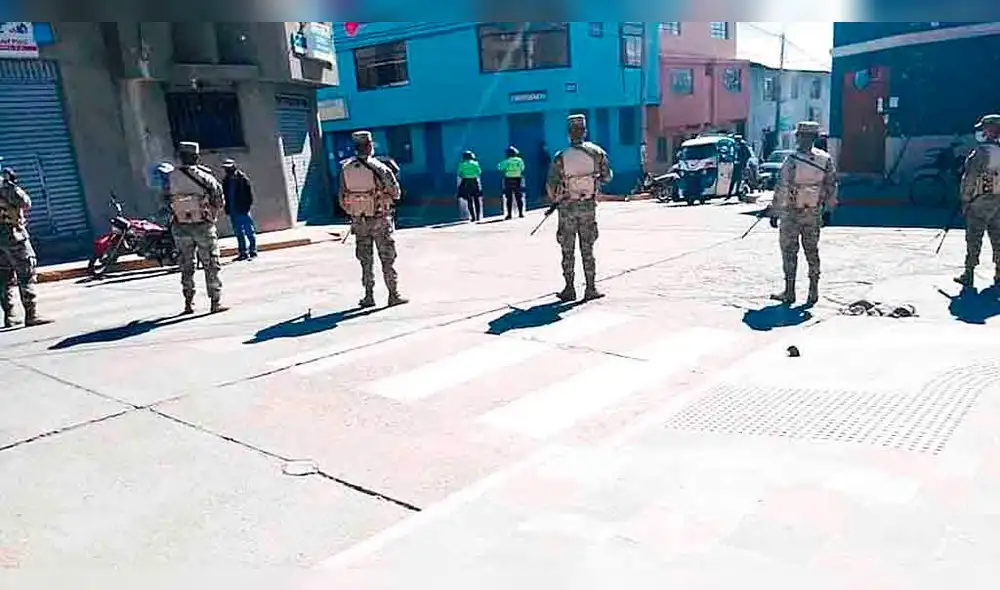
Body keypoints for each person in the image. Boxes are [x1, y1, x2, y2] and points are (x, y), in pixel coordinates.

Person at [768, 121, 839, 306]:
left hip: (791, 213)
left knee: (789, 253)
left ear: (799, 137)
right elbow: (832, 186)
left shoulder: (792, 160)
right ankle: (813, 290)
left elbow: (782, 186)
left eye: (800, 136)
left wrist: (775, 212)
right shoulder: (825, 159)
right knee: (812, 252)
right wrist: (828, 210)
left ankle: (789, 292)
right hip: (813, 212)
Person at [546, 114, 613, 302]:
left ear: (569, 134)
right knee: (587, 248)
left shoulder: (561, 156)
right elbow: (607, 177)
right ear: (585, 131)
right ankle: (590, 288)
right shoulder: (597, 153)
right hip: (588, 207)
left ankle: (569, 289)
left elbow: (551, 185)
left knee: (567, 249)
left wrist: (556, 199)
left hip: (567, 208)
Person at [339, 130, 408, 308]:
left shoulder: (346, 168)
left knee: (365, 260)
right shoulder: (380, 168)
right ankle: (393, 294)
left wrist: (356, 211)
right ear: (370, 146)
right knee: (387, 258)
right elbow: (396, 193)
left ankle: (369, 296)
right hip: (379, 219)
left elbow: (341, 198)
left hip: (359, 221)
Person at [161, 141, 227, 315]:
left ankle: (189, 303)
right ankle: (215, 301)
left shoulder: (170, 178)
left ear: (180, 157)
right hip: (203, 226)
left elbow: (165, 201)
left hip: (180, 227)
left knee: (186, 265)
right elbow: (219, 199)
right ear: (196, 157)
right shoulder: (205, 177)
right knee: (211, 264)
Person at [0, 159, 49, 328]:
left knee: (3, 278)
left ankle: (10, 316)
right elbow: (25, 202)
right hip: (13, 236)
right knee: (26, 274)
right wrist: (12, 185)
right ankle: (31, 314)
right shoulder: (5, 187)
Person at [954, 114, 1000, 288]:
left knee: (974, 237)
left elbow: (970, 179)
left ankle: (969, 272)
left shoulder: (982, 152)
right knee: (998, 237)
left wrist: (965, 200)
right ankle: (999, 272)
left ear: (990, 130)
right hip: (998, 200)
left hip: (980, 200)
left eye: (984, 128)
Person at [221, 158, 257, 261]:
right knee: (238, 232)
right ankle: (243, 252)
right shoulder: (226, 181)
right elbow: (225, 195)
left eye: (229, 168)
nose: (227, 170)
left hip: (242, 210)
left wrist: (246, 207)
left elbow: (249, 195)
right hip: (233, 210)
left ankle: (252, 250)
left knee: (249, 230)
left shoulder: (242, 179)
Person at [497, 146, 526, 219]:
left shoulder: (506, 161)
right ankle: (520, 213)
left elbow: (499, 167)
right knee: (518, 196)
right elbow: (522, 168)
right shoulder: (519, 160)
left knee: (509, 197)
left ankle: (509, 214)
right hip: (517, 179)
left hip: (508, 179)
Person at [456, 150, 483, 222]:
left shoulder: (461, 164)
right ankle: (478, 216)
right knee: (476, 200)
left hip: (466, 182)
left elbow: (459, 173)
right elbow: (479, 172)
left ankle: (473, 217)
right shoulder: (475, 163)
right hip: (474, 182)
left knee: (469, 201)